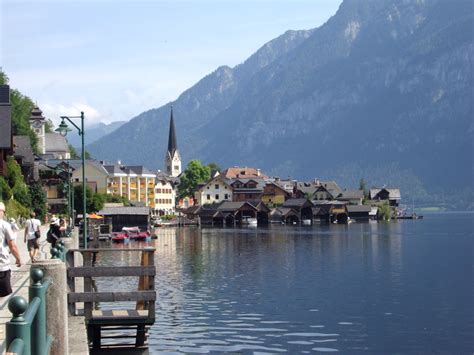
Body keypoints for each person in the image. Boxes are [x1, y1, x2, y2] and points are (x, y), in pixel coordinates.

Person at [0, 202, 22, 297]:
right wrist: (18, 259)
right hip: (1, 266)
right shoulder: (4, 225)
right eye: (4, 212)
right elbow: (12, 246)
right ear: (1, 212)